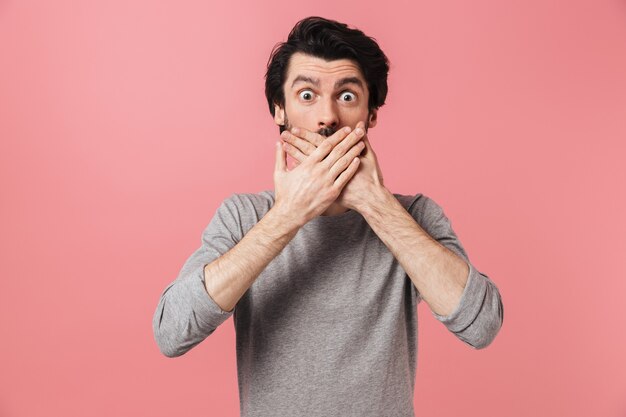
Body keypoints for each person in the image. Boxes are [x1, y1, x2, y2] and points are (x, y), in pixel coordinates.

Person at [153, 16, 504, 417]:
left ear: (371, 115)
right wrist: (288, 216)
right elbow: (172, 332)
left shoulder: (415, 215)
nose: (328, 117)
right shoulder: (242, 216)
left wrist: (377, 205)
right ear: (278, 111)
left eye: (348, 96)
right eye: (307, 95)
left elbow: (482, 326)